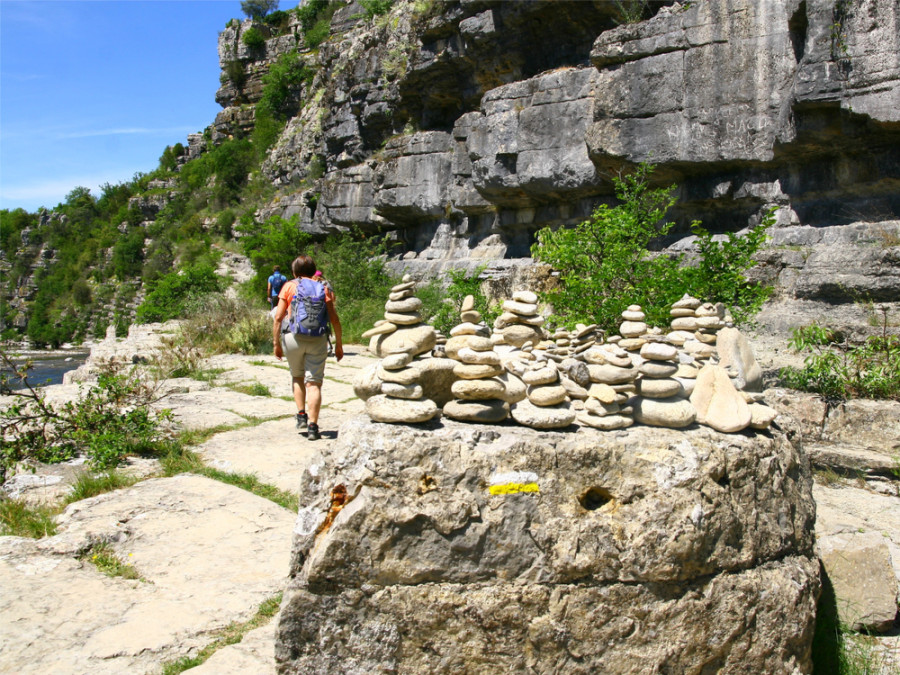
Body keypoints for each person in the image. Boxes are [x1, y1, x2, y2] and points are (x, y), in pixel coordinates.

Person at [273, 255, 343, 441]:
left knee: (297, 376)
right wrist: (339, 345)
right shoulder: (322, 287)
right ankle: (313, 426)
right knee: (314, 383)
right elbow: (334, 318)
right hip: (318, 338)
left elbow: (279, 317)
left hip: (293, 337)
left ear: (294, 271)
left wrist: (276, 343)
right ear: (314, 270)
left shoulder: (289, 286)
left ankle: (301, 415)